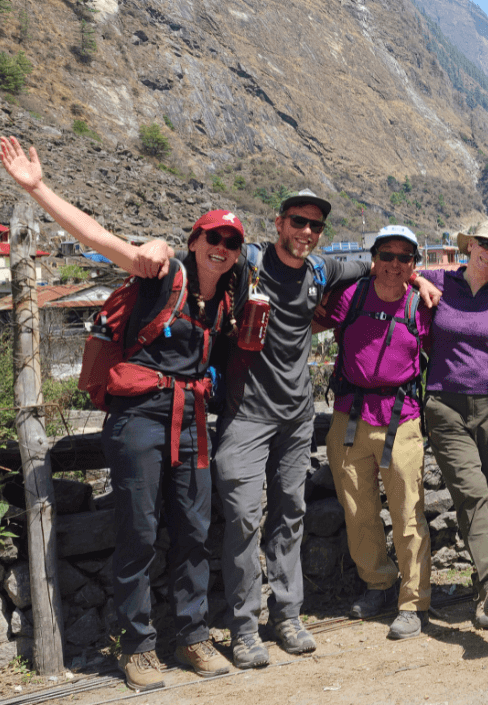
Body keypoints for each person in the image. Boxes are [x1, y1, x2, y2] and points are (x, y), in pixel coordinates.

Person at [132, 191, 439, 668]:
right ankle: (243, 628)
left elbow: (380, 267)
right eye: (298, 222)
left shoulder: (322, 270)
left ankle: (288, 615)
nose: (307, 232)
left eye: (315, 226)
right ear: (279, 223)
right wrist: (157, 244)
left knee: (290, 514)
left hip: (297, 417)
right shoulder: (246, 265)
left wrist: (417, 276)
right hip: (247, 415)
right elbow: (205, 256)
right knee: (242, 518)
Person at [1, 136, 237, 691]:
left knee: (195, 530)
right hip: (139, 418)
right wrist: (36, 189)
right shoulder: (162, 273)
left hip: (189, 420)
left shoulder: (227, 297)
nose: (222, 246)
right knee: (140, 529)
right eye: (213, 236)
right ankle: (138, 647)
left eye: (231, 239)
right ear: (195, 240)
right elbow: (99, 238)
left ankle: (194, 635)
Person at [416, 220, 488, 629]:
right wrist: (416, 281)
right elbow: (392, 271)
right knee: (472, 490)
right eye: (485, 244)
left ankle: (486, 594)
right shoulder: (438, 281)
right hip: (445, 405)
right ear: (469, 245)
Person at [321, 226, 433, 640]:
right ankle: (378, 584)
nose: (394, 264)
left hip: (400, 420)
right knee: (359, 511)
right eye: (387, 255)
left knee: (408, 512)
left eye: (405, 258)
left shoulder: (420, 305)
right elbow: (307, 317)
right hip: (350, 417)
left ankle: (413, 600)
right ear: (373, 258)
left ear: (413, 265)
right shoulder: (351, 298)